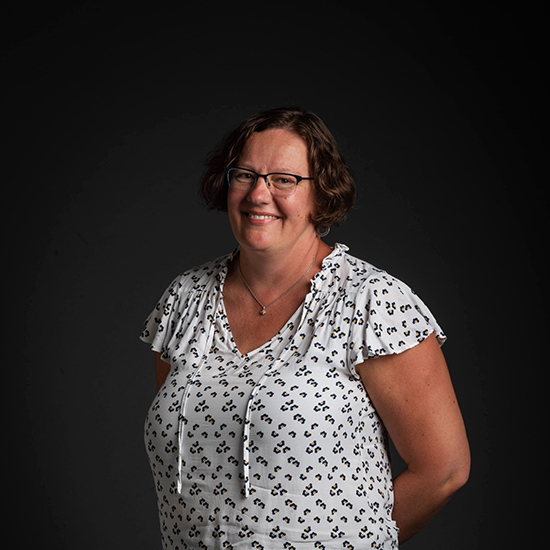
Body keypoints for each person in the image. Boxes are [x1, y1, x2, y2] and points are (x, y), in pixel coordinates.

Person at [140, 107, 470, 549]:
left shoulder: (372, 302)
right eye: (244, 175)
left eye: (284, 179)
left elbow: (444, 470)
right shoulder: (185, 299)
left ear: (323, 194)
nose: (259, 194)